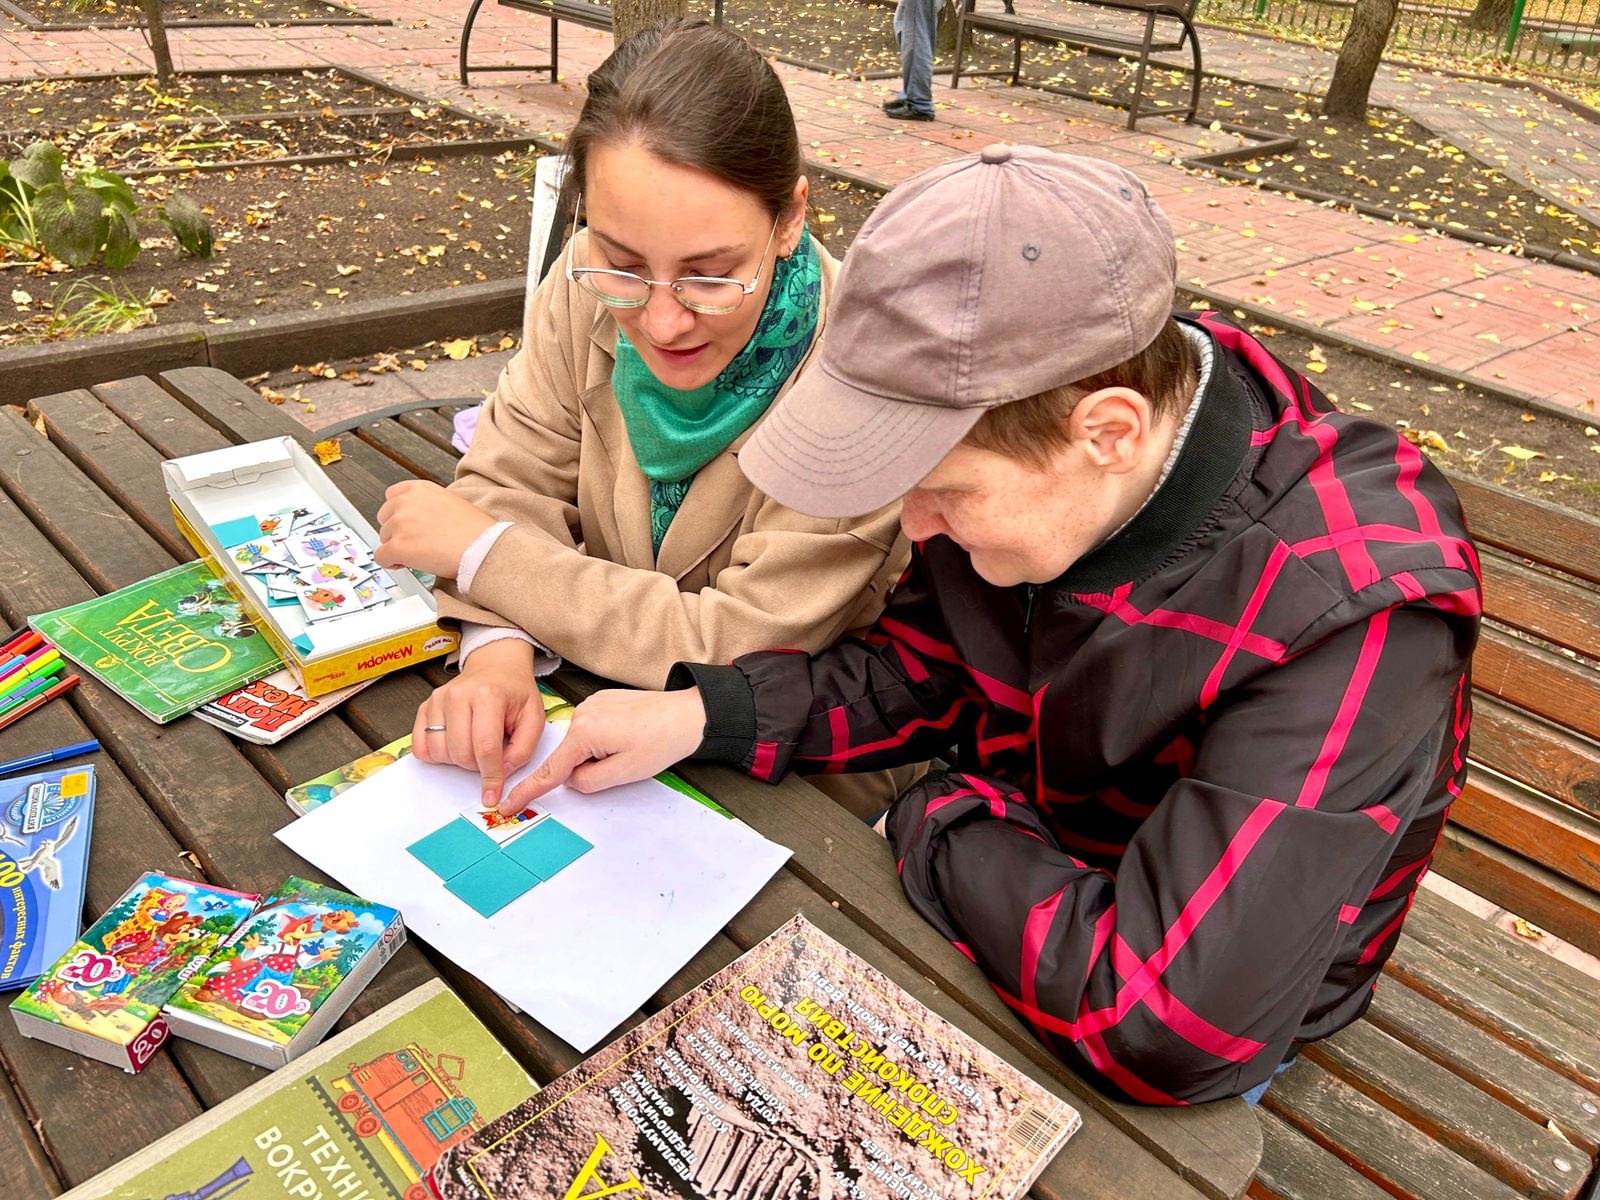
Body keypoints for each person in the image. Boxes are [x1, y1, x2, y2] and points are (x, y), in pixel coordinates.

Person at [506, 146, 1483, 1106]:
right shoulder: (1057, 438)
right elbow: (919, 672)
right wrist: (700, 717)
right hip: (1022, 895)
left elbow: (1168, 1031)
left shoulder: (1353, 613)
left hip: (1175, 1018)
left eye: (941, 494)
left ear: (1108, 432)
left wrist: (943, 817)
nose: (915, 527)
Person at [373, 23, 916, 819]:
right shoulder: (583, 278)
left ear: (790, 218)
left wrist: (487, 557)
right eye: (624, 263)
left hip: (795, 787)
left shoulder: (863, 379)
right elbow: (516, 470)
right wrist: (496, 653)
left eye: (711, 274)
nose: (662, 323)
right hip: (599, 729)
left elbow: (740, 645)